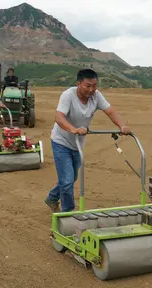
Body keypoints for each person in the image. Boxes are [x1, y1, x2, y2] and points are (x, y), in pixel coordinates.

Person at [44, 69, 131, 213]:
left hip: (77, 144)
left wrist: (122, 125)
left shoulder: (96, 96)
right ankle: (67, 214)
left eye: (94, 86)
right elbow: (59, 117)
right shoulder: (68, 95)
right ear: (78, 84)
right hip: (61, 141)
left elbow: (110, 111)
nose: (91, 89)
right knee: (67, 181)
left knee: (72, 178)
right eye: (87, 86)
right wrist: (73, 130)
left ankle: (52, 197)